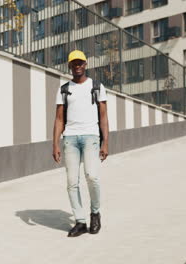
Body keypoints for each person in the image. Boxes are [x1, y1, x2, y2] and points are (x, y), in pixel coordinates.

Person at [52, 50, 109, 237]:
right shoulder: (64, 89)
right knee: (71, 182)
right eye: (73, 63)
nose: (77, 66)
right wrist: (55, 144)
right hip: (70, 139)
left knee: (92, 176)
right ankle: (80, 221)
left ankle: (95, 213)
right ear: (69, 66)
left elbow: (103, 116)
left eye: (80, 63)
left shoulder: (97, 86)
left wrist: (105, 142)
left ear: (86, 64)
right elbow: (59, 119)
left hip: (91, 137)